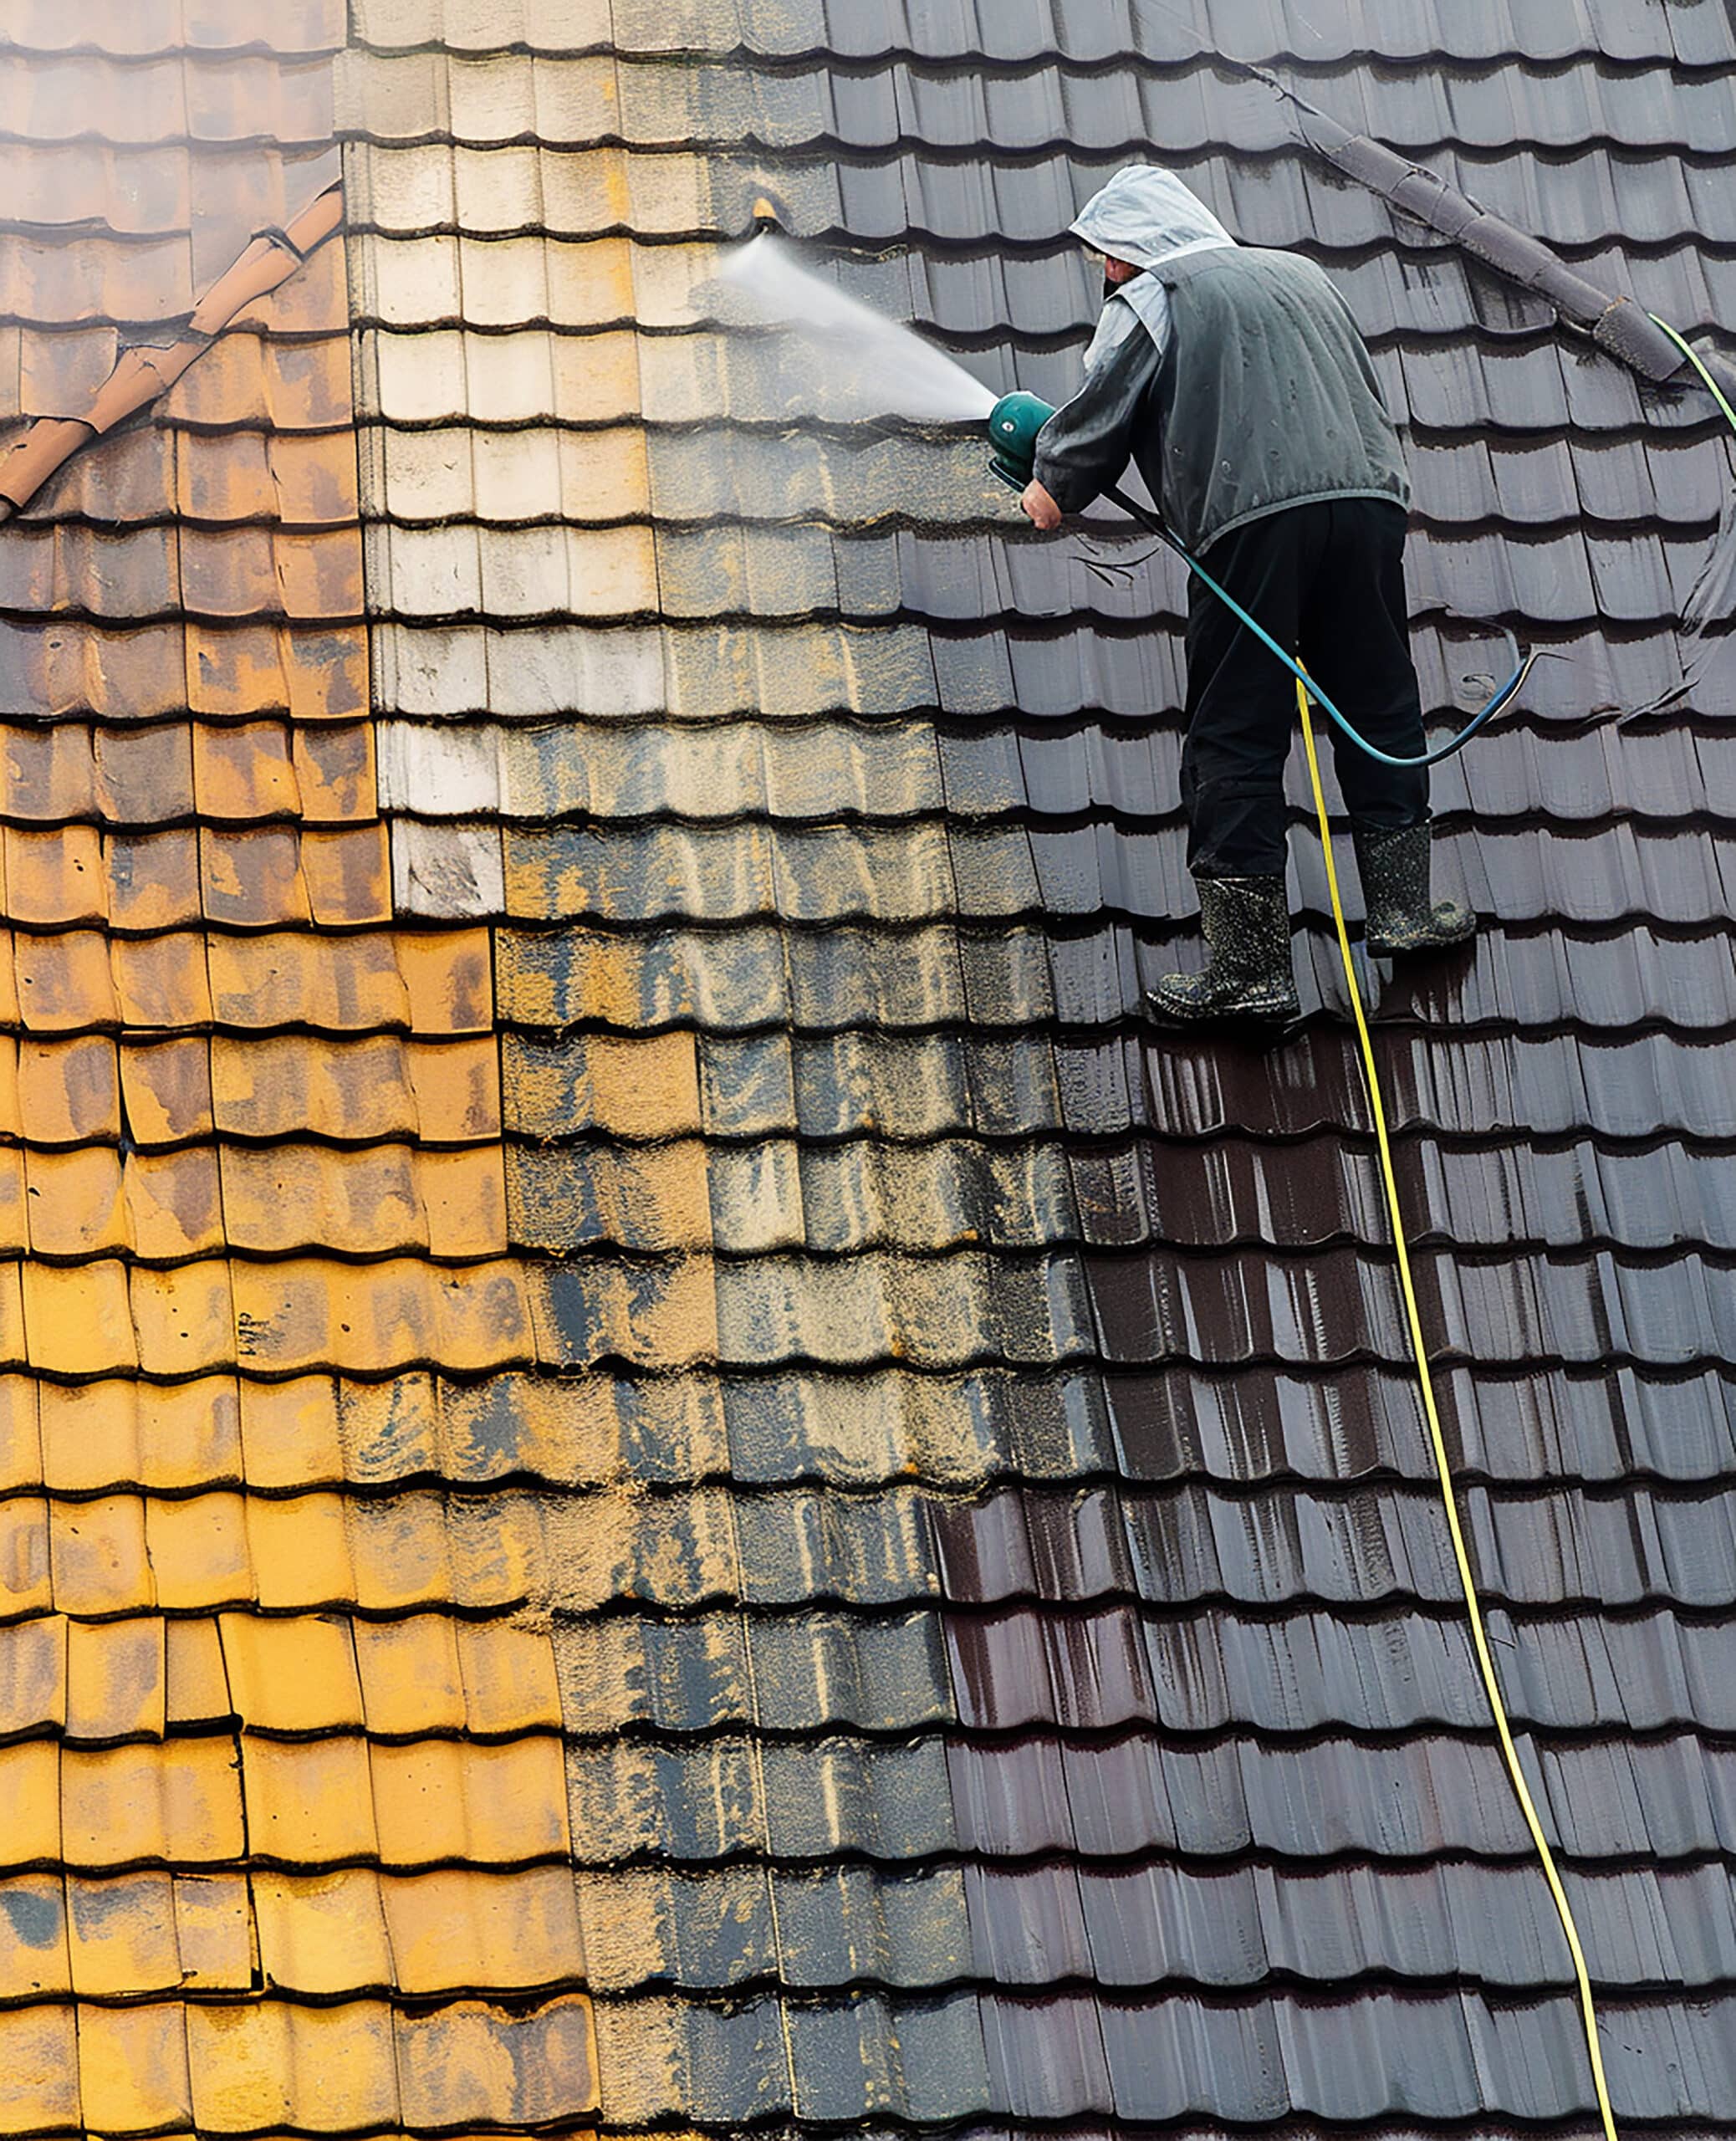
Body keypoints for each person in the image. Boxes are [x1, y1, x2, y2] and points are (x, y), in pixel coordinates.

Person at [1023, 165, 1472, 1023]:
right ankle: (1406, 913)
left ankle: (1252, 970)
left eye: (1108, 259)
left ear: (1134, 250)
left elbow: (1103, 408)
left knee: (1234, 724)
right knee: (1379, 697)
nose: (1107, 275)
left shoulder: (1159, 293)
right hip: (1369, 502)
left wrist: (1049, 487)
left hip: (1252, 520)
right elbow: (1363, 393)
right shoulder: (1301, 273)